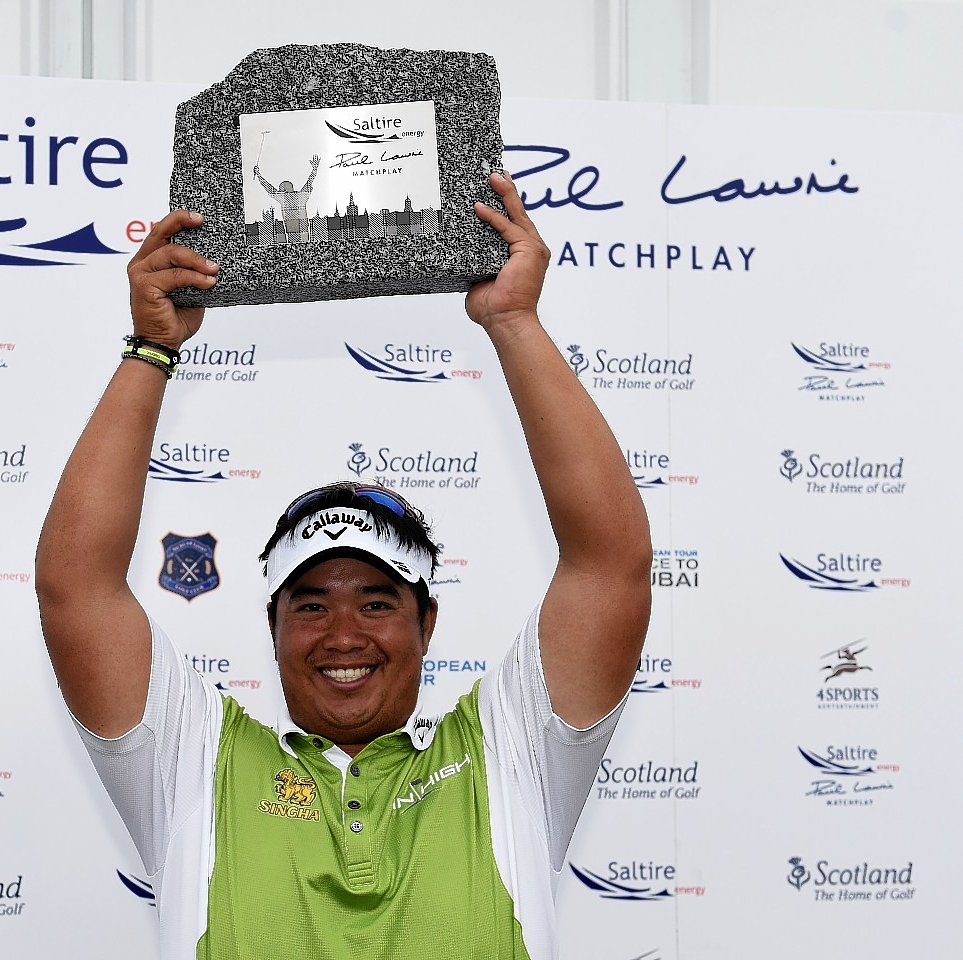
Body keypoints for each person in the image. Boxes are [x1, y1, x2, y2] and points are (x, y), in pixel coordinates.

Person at [35, 172, 652, 959]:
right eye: (312, 603)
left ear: (426, 623)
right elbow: (74, 587)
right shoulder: (196, 764)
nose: (343, 634)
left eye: (375, 600)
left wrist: (514, 322)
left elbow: (610, 563)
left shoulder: (507, 756)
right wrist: (150, 349)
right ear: (273, 628)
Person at [254, 154, 321, 239]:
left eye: (281, 188)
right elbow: (310, 181)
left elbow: (268, 188)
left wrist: (259, 175)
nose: (279, 190)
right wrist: (314, 169)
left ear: (285, 189)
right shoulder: (301, 196)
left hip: (294, 227)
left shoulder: (285, 197)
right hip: (300, 227)